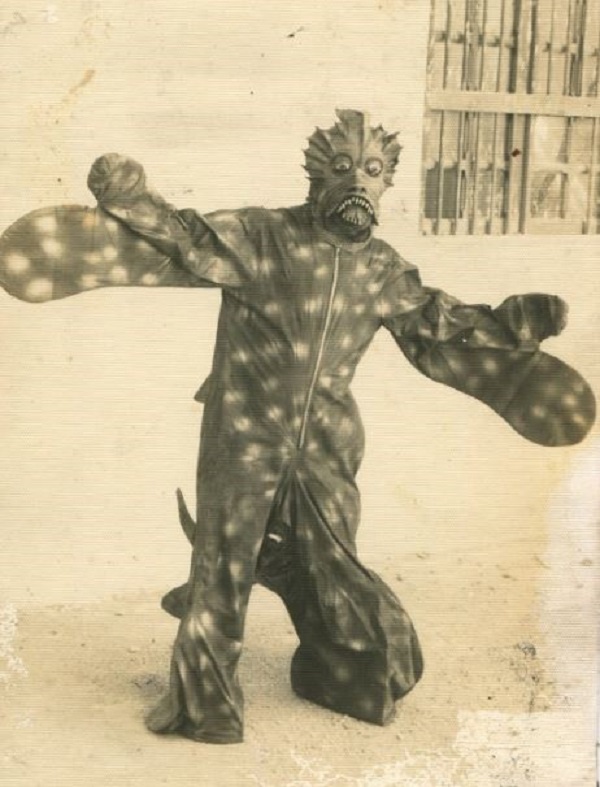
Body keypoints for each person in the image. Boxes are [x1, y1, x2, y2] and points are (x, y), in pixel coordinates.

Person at [0, 109, 594, 744]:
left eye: (372, 170)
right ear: (317, 176)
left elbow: (436, 328)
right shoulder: (264, 236)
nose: (359, 182)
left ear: (387, 182)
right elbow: (184, 236)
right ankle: (206, 709)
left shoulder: (383, 269)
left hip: (328, 442)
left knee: (334, 561)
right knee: (223, 565)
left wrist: (514, 323)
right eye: (343, 168)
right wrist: (130, 195)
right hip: (245, 430)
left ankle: (341, 676)